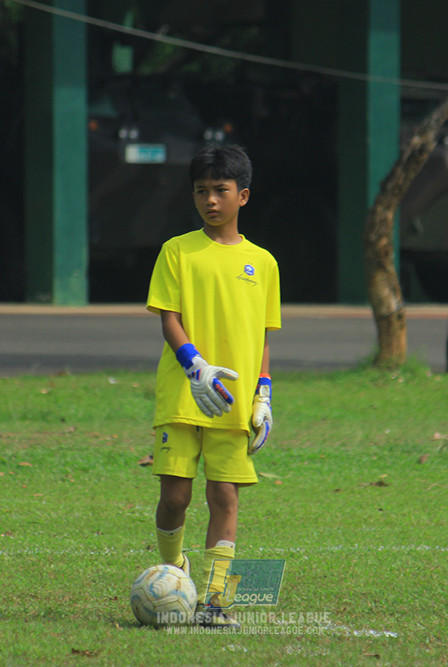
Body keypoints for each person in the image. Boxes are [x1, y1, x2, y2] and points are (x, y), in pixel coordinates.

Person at [146, 144, 280, 629]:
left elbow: (263, 336)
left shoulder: (263, 263)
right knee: (175, 496)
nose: (210, 200)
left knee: (225, 495)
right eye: (201, 191)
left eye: (220, 191)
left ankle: (216, 600)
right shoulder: (177, 251)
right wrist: (194, 365)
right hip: (185, 393)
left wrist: (262, 394)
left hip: (233, 404)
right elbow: (169, 318)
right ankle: (175, 569)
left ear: (242, 196)